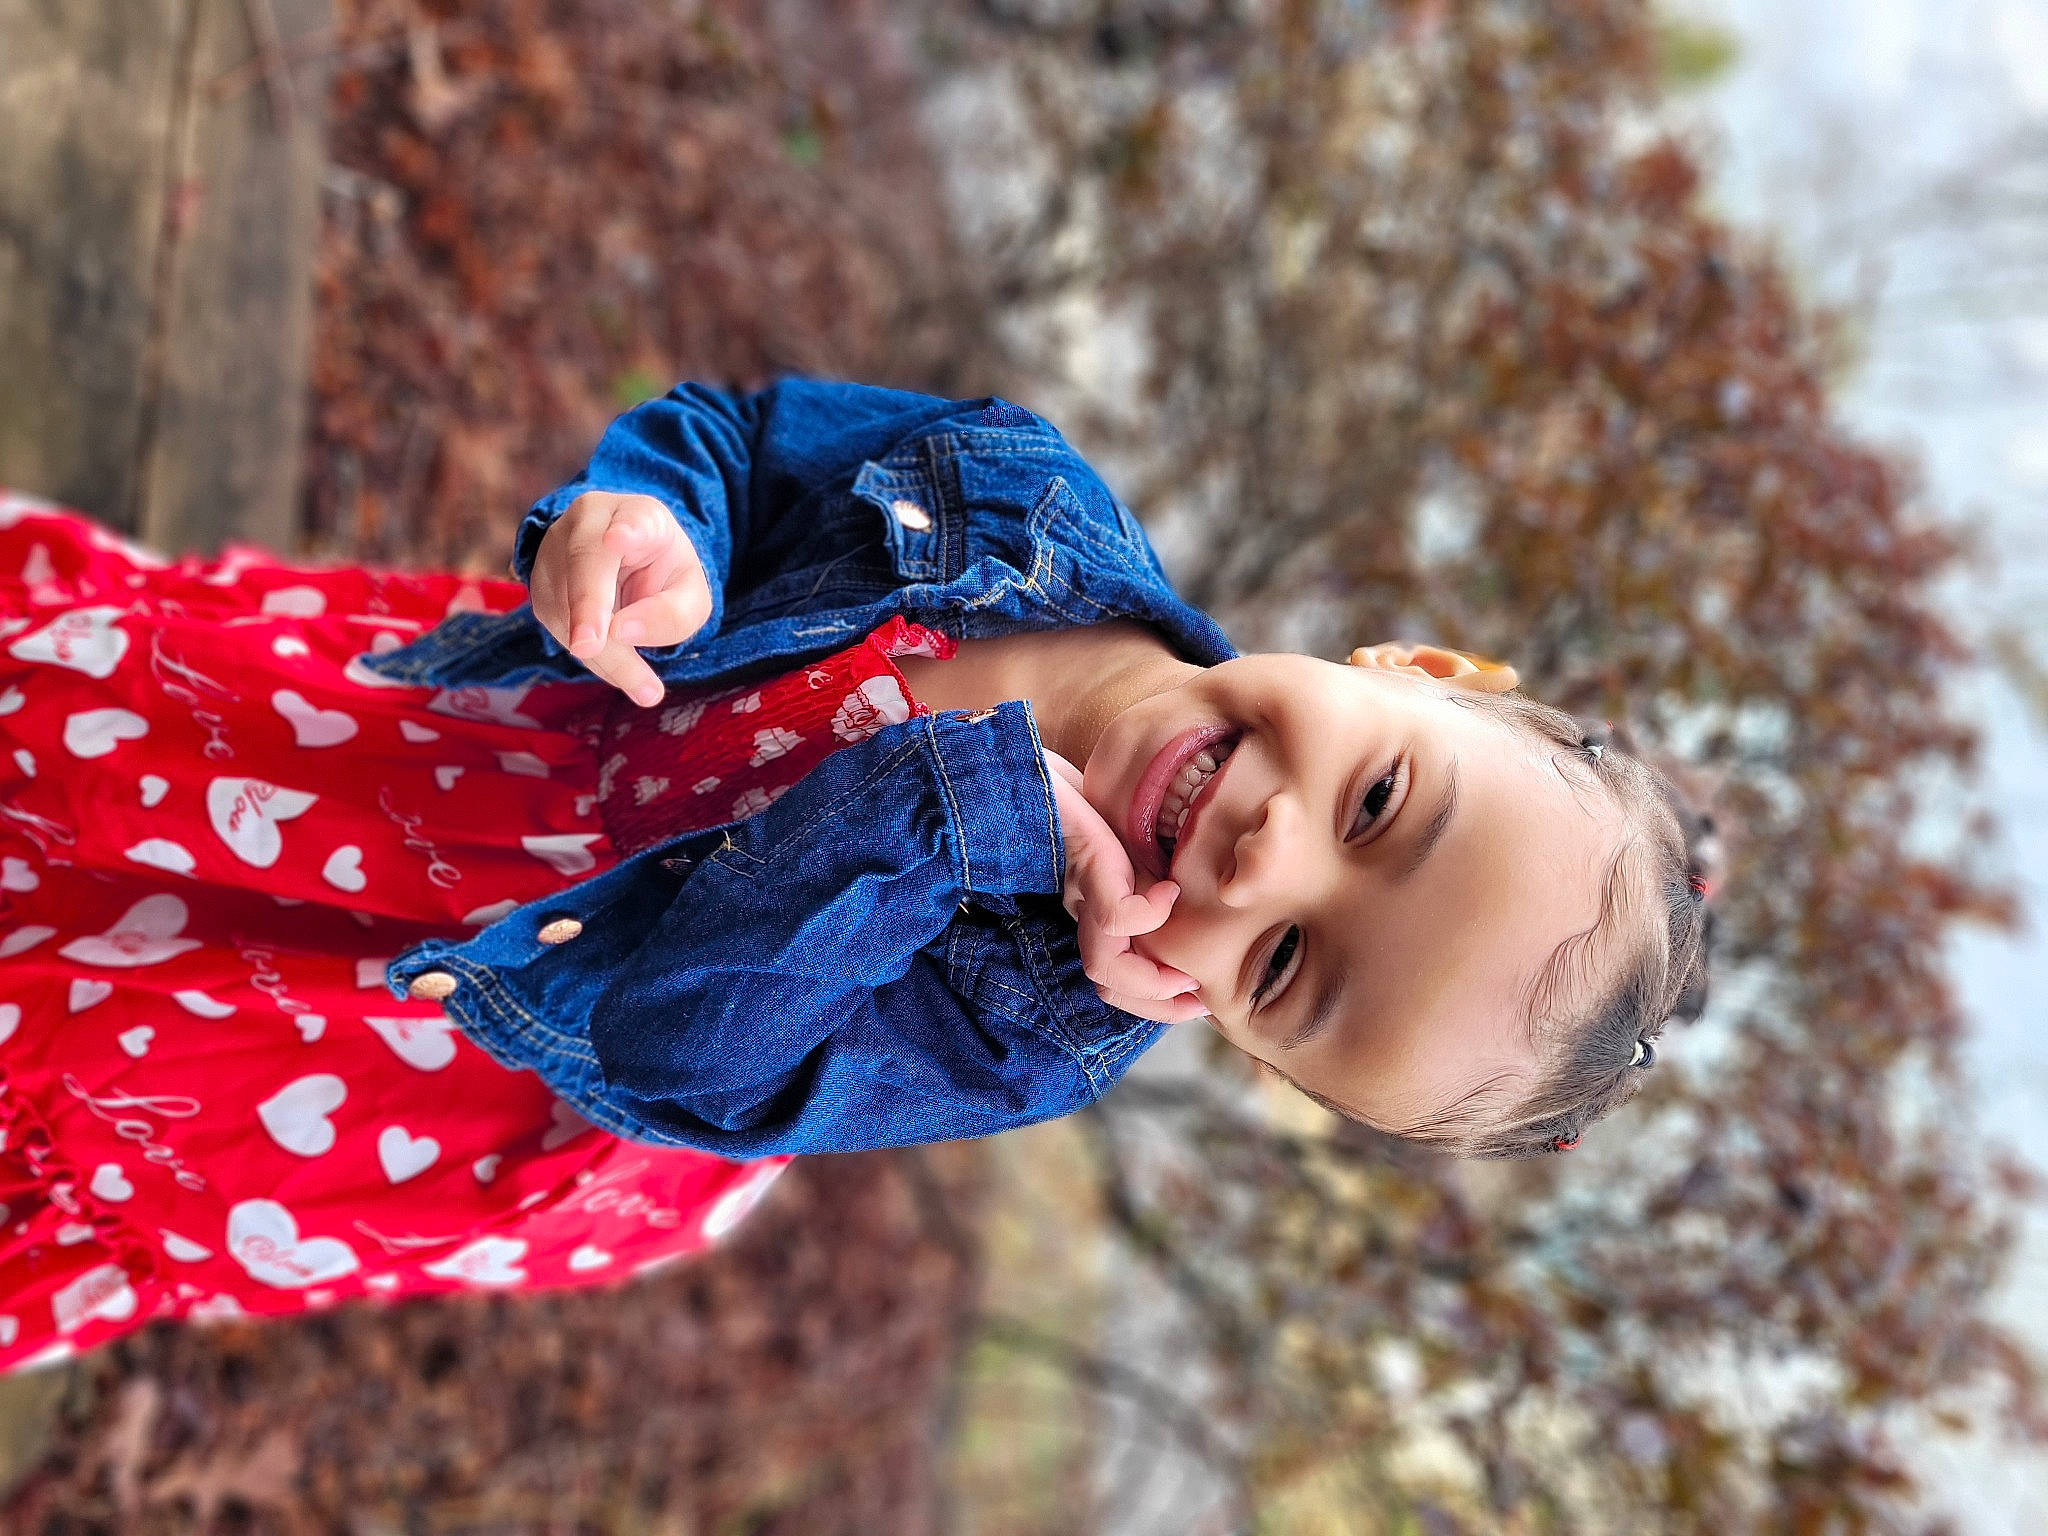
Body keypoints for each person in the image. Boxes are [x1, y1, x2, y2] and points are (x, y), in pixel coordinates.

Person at [0, 378, 1714, 1369]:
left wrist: (959, 814)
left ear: (1238, 1037)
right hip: (476, 765)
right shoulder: (1020, 513)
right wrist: (644, 517)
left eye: (1289, 972)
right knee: (95, 727)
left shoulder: (1021, 1024)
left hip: (488, 1031)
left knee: (93, 1032)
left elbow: (684, 1038)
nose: (1268, 860)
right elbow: (745, 445)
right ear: (1415, 671)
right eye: (1382, 802)